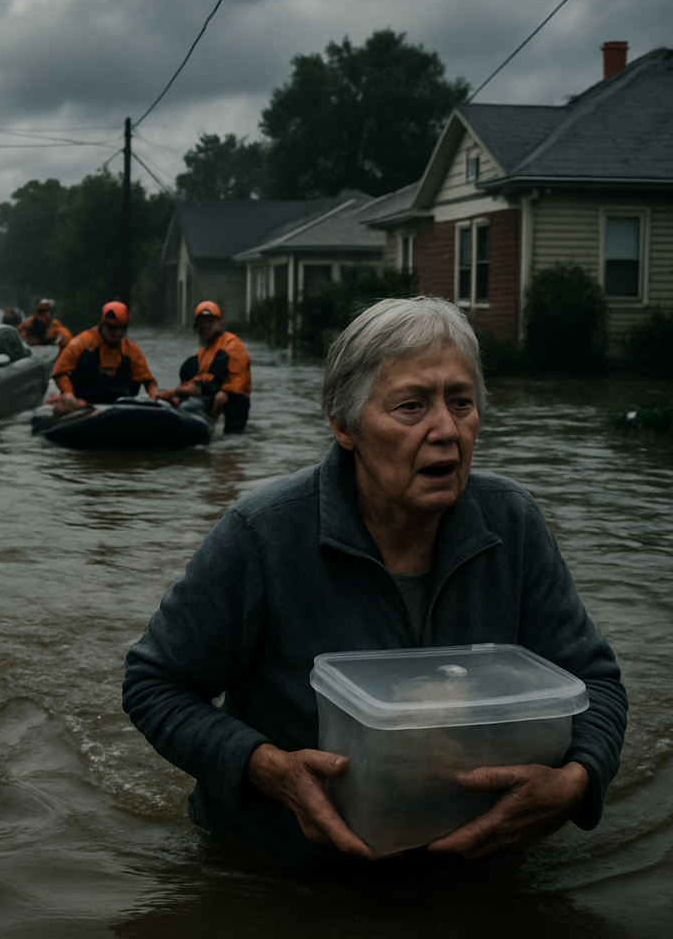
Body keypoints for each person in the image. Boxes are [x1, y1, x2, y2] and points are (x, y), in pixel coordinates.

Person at [122, 297, 627, 865]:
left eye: (462, 402)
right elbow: (153, 682)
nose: (447, 430)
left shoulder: (512, 524)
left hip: (468, 871)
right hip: (282, 871)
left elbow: (596, 682)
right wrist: (266, 768)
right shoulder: (263, 535)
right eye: (411, 406)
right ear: (345, 426)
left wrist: (578, 782)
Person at [159, 300, 251, 434]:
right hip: (211, 396)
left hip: (233, 399)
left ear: (220, 323)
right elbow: (200, 380)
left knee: (221, 397)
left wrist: (178, 392)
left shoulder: (231, 345)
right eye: (201, 322)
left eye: (210, 322)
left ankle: (229, 436)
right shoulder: (203, 352)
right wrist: (179, 392)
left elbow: (233, 382)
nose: (205, 326)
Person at [49, 300, 159, 409]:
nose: (118, 333)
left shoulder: (132, 351)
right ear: (103, 325)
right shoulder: (81, 344)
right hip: (85, 405)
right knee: (60, 408)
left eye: (123, 328)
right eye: (112, 328)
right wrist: (68, 394)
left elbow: (148, 381)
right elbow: (60, 372)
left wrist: (154, 396)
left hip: (122, 407)